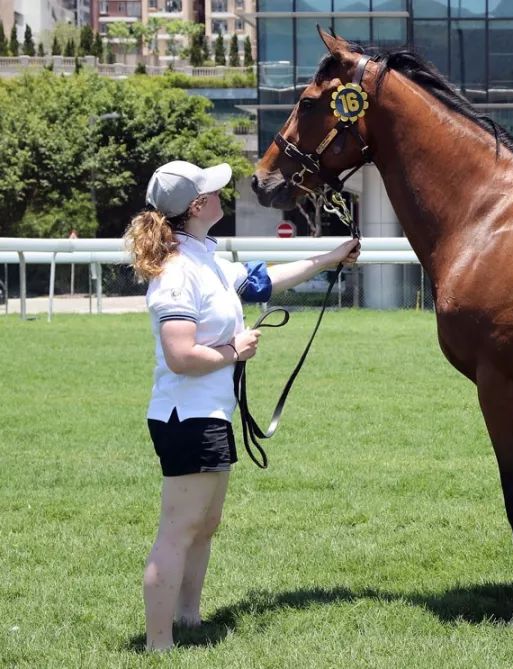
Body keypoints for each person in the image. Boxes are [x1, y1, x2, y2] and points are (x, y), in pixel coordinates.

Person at [124, 160, 360, 651]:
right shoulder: (176, 273)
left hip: (208, 415)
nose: (220, 196)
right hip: (187, 418)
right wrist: (235, 351)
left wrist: (328, 258)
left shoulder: (204, 258)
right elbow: (180, 354)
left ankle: (189, 620)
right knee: (178, 531)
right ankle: (159, 644)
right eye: (212, 191)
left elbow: (261, 283)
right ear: (196, 207)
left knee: (204, 526)